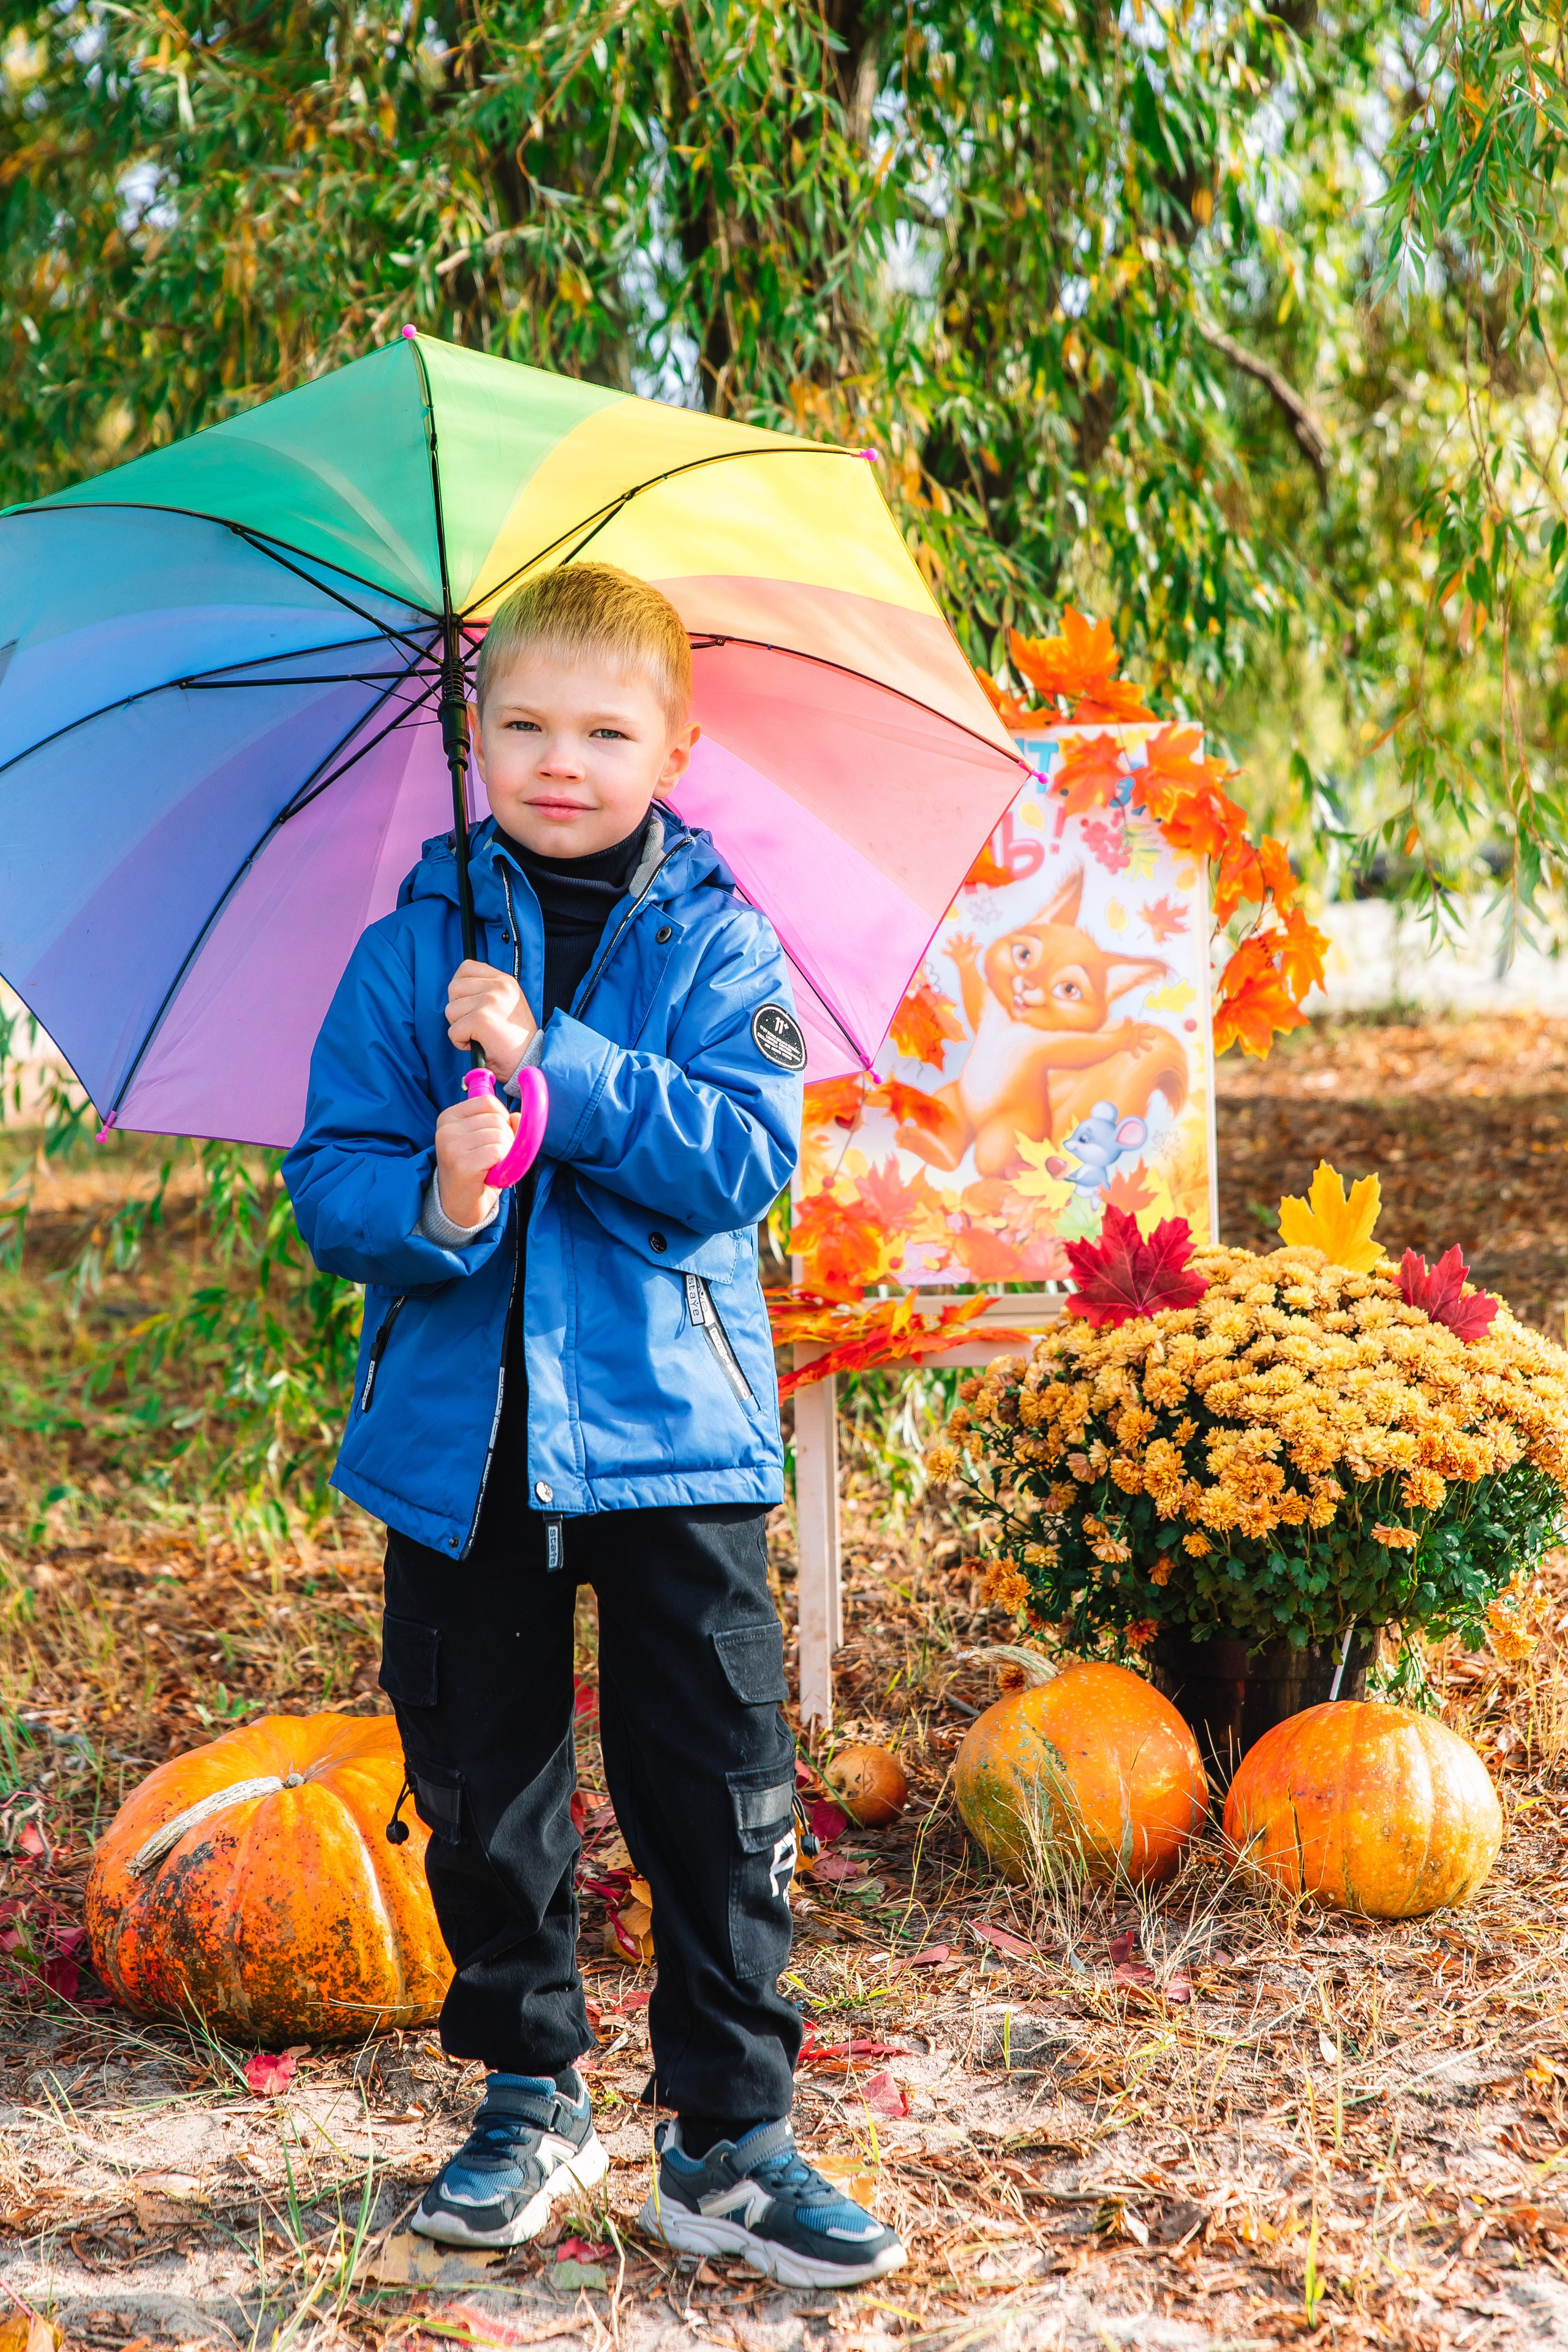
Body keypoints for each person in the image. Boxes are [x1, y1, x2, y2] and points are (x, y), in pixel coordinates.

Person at [283, 562, 905, 2290]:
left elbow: (737, 1161)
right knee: (482, 1775)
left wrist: (560, 1066)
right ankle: (526, 2089)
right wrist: (448, 1194)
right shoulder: (412, 957)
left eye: (608, 729)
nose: (566, 760)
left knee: (714, 1778)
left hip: (675, 1434)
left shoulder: (715, 941)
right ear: (474, 734)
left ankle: (729, 2132)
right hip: (462, 1438)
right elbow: (330, 1189)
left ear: (676, 747)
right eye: (529, 724)